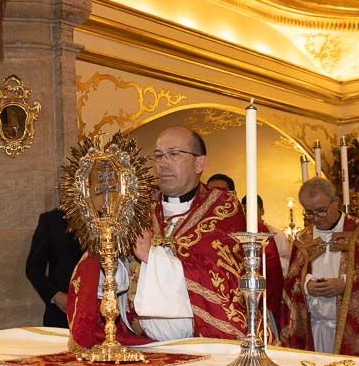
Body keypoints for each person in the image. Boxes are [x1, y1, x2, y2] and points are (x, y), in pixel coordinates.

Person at [68, 127, 246, 346]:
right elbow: (109, 276)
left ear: (200, 163)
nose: (163, 162)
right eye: (159, 155)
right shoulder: (137, 205)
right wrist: (111, 260)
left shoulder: (223, 207)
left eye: (174, 154)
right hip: (134, 341)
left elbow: (219, 275)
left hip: (193, 343)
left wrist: (151, 257)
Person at [277, 177, 359, 357]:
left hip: (350, 329)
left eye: (321, 211)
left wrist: (346, 285)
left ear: (335, 202)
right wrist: (307, 286)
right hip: (314, 328)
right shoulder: (303, 239)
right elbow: (290, 283)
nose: (316, 218)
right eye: (310, 212)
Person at [25, 206, 84, 328]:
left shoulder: (105, 220)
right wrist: (56, 296)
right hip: (62, 313)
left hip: (100, 315)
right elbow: (33, 268)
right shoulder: (51, 220)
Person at [242, 195, 284, 341]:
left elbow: (272, 269)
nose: (247, 214)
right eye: (244, 210)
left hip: (263, 300)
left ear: (262, 210)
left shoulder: (265, 233)